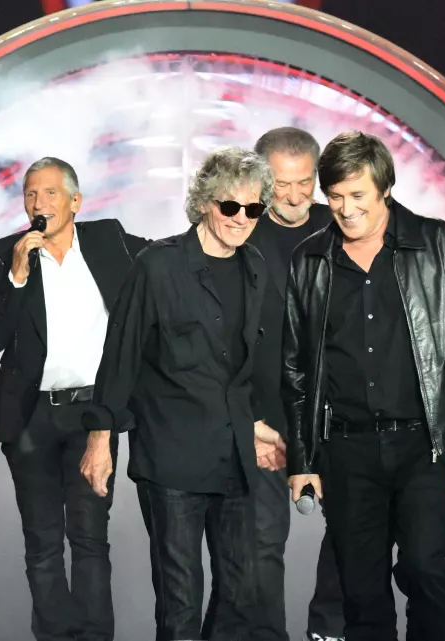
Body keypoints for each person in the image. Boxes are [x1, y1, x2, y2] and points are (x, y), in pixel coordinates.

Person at [282, 131, 445, 641]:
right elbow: (294, 369)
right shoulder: (309, 260)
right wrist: (303, 460)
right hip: (346, 450)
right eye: (335, 196)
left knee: (425, 569)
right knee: (361, 593)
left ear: (385, 188)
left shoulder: (439, 245)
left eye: (357, 194)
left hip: (422, 445)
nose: (345, 208)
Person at [79, 147, 287, 641]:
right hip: (171, 458)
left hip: (232, 454)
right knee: (180, 603)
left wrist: (256, 422)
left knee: (240, 592)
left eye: (253, 208)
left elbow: (243, 367)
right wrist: (100, 438)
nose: (241, 218)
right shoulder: (157, 266)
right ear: (205, 203)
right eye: (230, 206)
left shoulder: (255, 267)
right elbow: (121, 354)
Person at [0, 157, 149, 641]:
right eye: (30, 194)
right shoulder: (4, 254)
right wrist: (16, 276)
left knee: (90, 536)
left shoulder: (109, 239)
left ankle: (94, 635)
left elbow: (168, 260)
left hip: (93, 414)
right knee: (42, 541)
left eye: (50, 193)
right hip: (30, 417)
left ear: (75, 201)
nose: (39, 203)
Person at [202, 127, 343, 641]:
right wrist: (248, 422)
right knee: (260, 544)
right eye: (282, 185)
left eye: (305, 183)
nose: (295, 195)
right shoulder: (237, 231)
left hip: (333, 416)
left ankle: (330, 630)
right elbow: (214, 339)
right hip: (262, 418)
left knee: (356, 529)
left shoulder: (341, 226)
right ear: (262, 180)